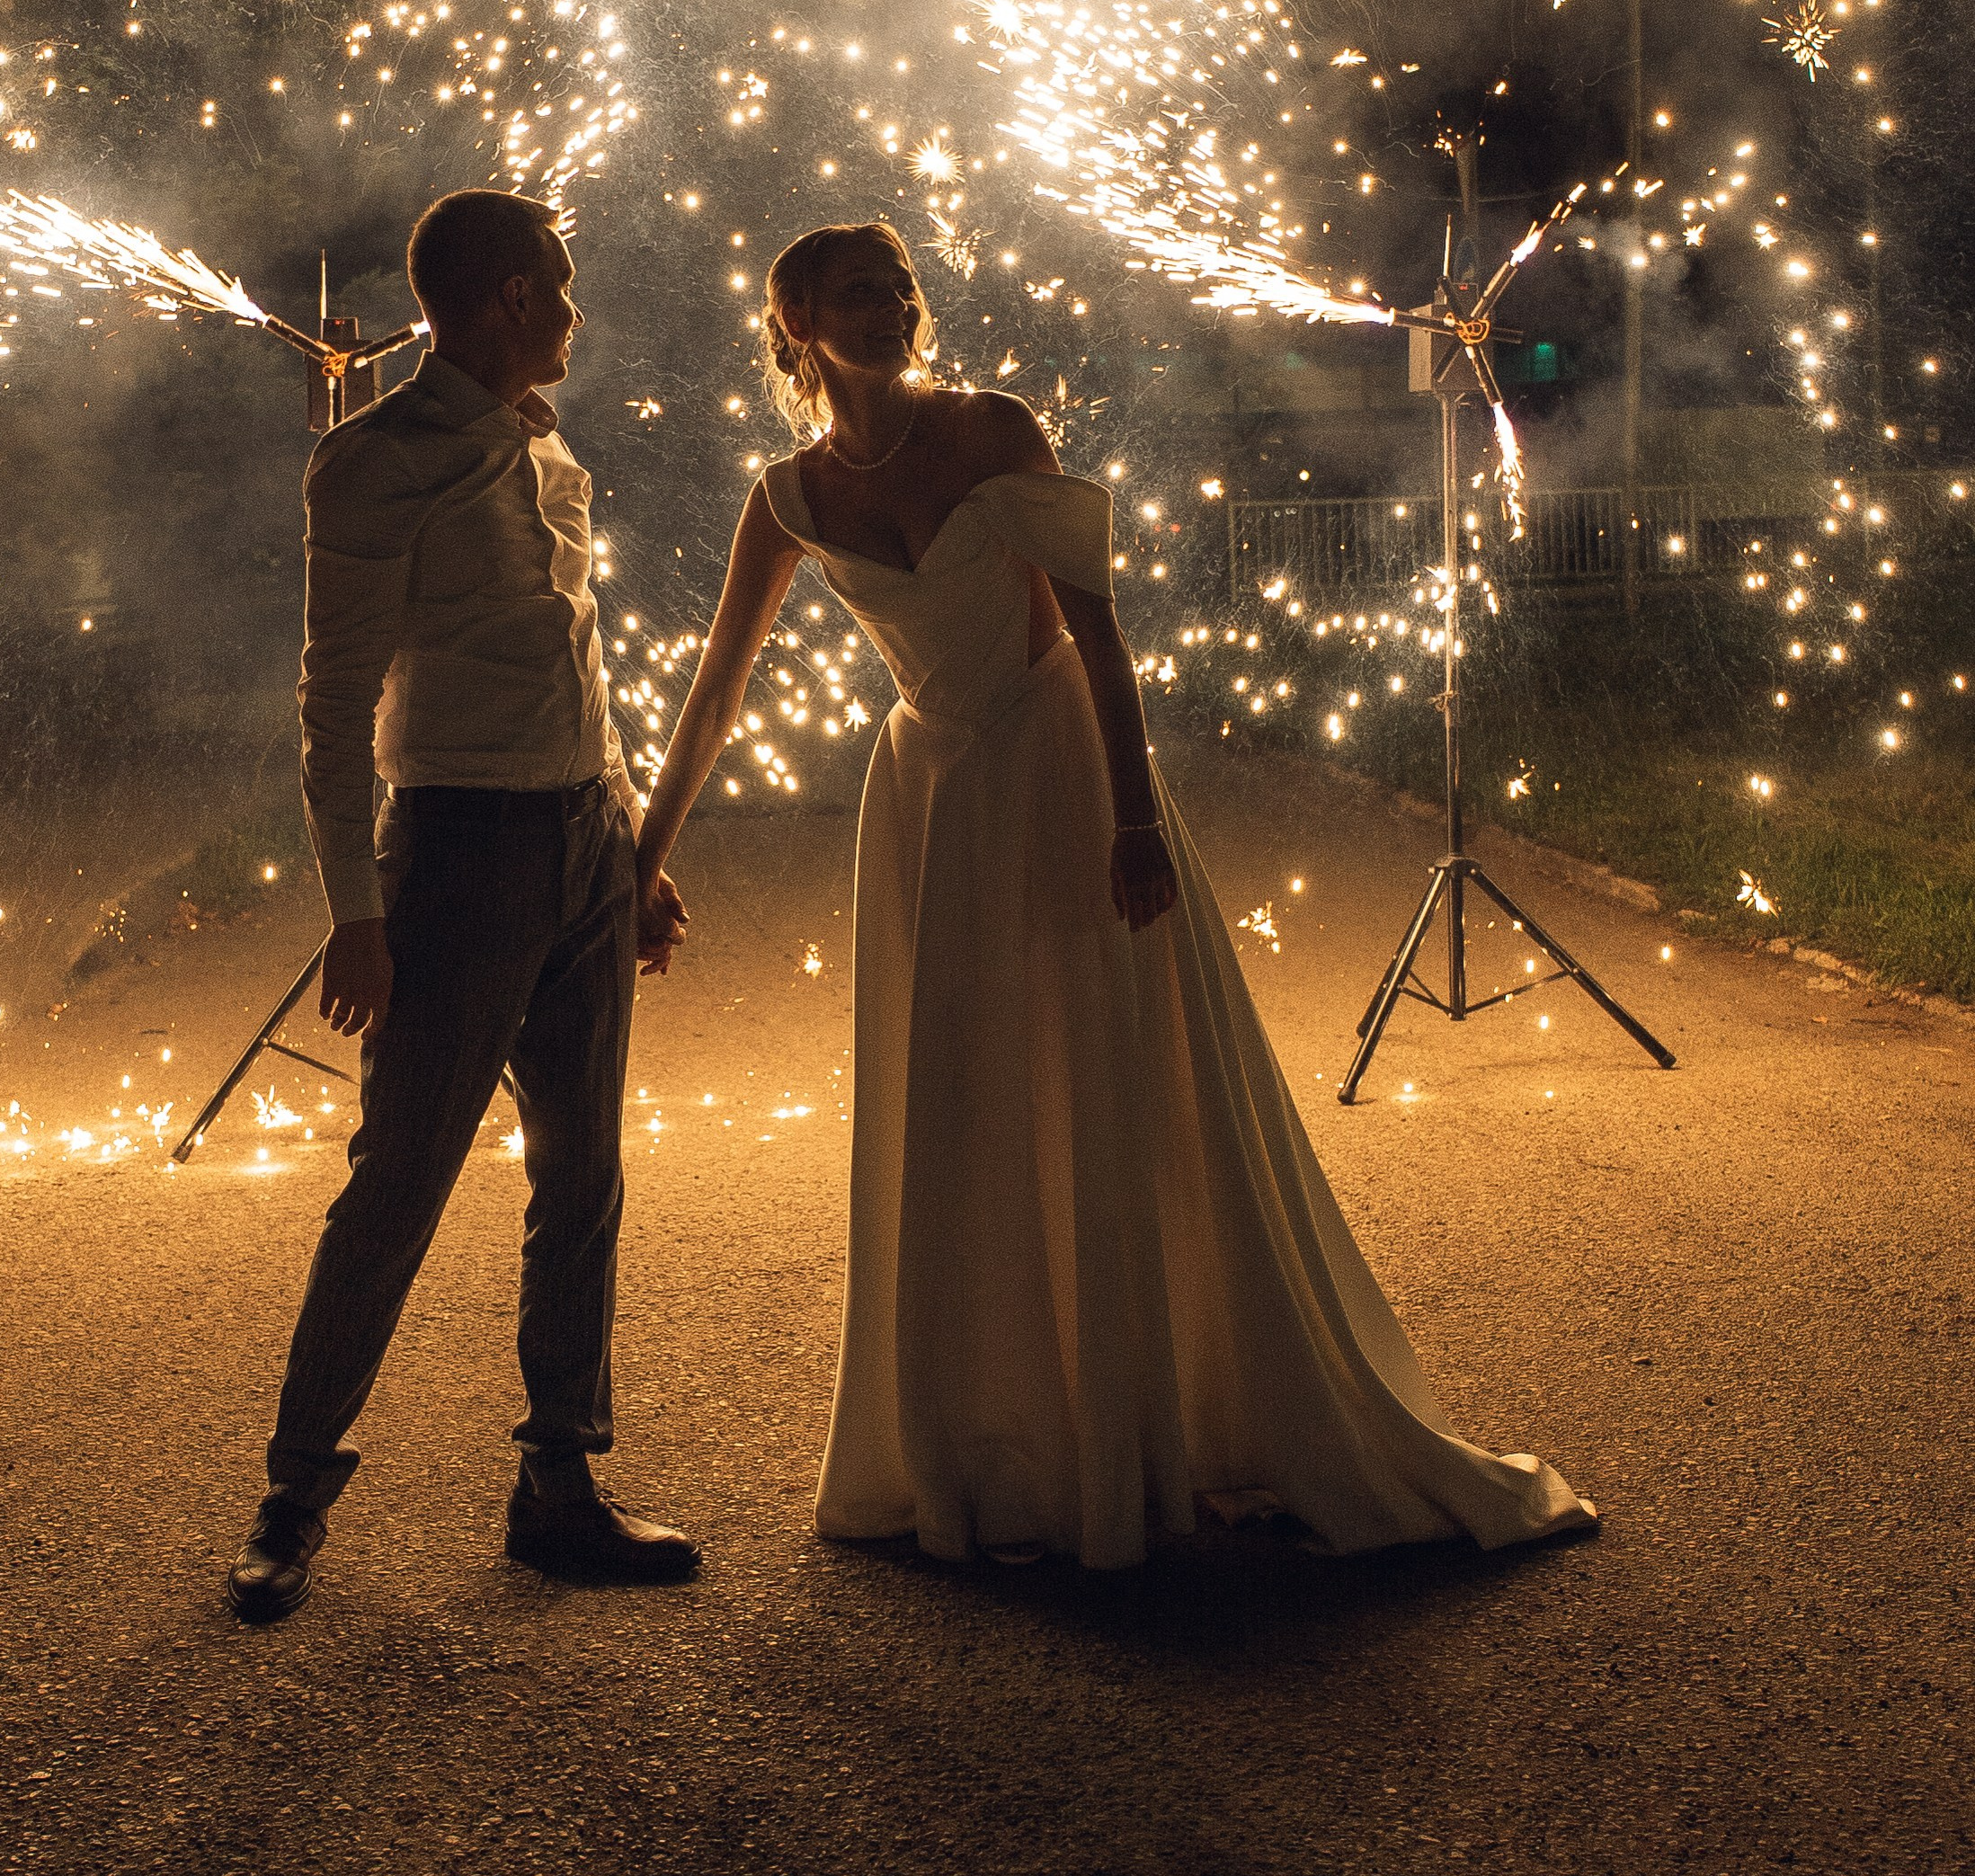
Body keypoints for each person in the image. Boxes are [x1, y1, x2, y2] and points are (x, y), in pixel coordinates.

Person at [632, 219, 1596, 1572]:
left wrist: (1134, 814)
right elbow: (717, 686)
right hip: (926, 795)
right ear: (793, 319)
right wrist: (642, 854)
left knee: (1108, 1074)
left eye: (903, 284)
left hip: (1057, 765)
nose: (896, 304)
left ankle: (1159, 1425)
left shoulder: (991, 430)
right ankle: (989, 1437)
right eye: (860, 289)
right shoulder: (785, 495)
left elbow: (1096, 627)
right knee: (962, 1097)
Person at [226, 191, 698, 1622]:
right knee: (403, 1179)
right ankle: (292, 1496)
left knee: (581, 1173)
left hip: (576, 842)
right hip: (457, 851)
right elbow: (330, 702)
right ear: (503, 295)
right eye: (557, 284)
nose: (571, 308)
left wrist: (628, 842)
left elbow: (578, 663)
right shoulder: (371, 462)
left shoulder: (554, 450)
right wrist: (356, 909)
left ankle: (559, 1484)